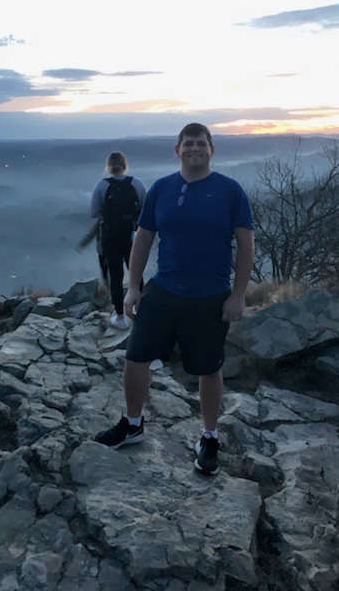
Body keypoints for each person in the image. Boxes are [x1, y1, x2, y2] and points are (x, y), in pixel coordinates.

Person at [95, 123, 255, 476]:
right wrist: (133, 287)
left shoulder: (230, 191)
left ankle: (209, 437)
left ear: (212, 149)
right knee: (135, 357)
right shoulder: (162, 189)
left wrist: (238, 295)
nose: (195, 148)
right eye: (189, 143)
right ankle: (133, 423)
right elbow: (143, 238)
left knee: (209, 368)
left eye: (201, 143)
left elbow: (246, 245)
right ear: (177, 149)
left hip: (211, 294)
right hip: (164, 289)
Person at [89, 152, 147, 330]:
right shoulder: (137, 184)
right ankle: (142, 311)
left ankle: (120, 316)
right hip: (132, 236)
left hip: (110, 237)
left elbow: (94, 211)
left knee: (116, 275)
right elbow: (145, 208)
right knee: (136, 273)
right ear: (125, 165)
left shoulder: (102, 186)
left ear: (109, 167)